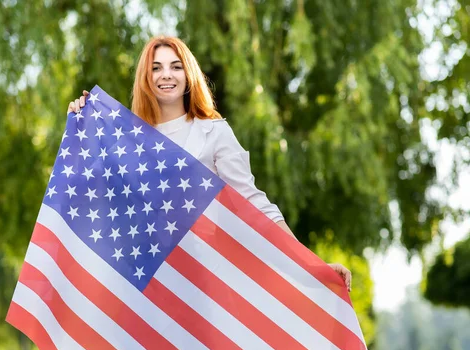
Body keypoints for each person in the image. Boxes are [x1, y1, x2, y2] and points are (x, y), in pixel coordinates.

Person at [67, 36, 351, 291]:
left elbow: (256, 205)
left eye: (175, 66)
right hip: (148, 285)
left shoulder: (213, 132)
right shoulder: (130, 141)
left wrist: (310, 265)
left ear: (188, 74)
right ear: (145, 76)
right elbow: (98, 197)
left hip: (204, 283)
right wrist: (82, 123)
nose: (166, 74)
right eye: (156, 67)